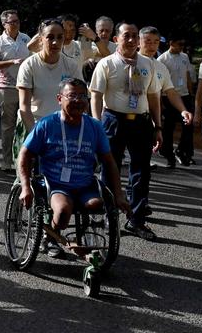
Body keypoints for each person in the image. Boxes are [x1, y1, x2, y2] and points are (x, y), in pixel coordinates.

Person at [18, 79, 130, 258]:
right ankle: (51, 236)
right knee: (63, 211)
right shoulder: (47, 124)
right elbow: (25, 155)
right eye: (72, 96)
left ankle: (83, 237)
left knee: (96, 205)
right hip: (56, 185)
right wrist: (25, 187)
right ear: (59, 99)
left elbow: (109, 162)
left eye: (82, 96)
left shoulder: (94, 126)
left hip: (85, 184)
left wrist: (119, 195)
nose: (78, 100)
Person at [90, 22, 162, 240]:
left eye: (134, 36)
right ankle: (106, 215)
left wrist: (158, 126)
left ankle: (137, 220)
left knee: (141, 172)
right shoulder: (107, 64)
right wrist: (97, 124)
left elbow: (153, 96)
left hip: (140, 122)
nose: (131, 40)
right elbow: (96, 95)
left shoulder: (148, 64)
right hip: (114, 120)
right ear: (116, 40)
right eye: (126, 36)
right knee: (110, 168)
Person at [139, 28, 195, 168]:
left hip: (152, 112)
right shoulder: (132, 62)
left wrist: (183, 110)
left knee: (141, 169)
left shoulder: (160, 66)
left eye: (156, 42)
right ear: (139, 42)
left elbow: (170, 90)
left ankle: (179, 153)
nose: (152, 45)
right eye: (148, 42)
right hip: (127, 114)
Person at [17, 18, 82, 137]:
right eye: (50, 37)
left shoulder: (71, 65)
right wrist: (35, 135)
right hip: (33, 125)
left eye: (59, 37)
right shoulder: (29, 65)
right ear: (41, 39)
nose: (55, 42)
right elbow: (24, 106)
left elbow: (80, 100)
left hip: (63, 126)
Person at [0, 10, 31, 172]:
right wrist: (12, 61)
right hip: (5, 88)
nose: (15, 24)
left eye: (17, 21)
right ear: (4, 24)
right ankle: (6, 160)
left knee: (25, 125)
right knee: (8, 126)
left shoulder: (26, 39)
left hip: (25, 87)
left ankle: (23, 160)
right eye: (11, 22)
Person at [156, 31, 195, 166]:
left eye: (183, 44)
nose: (181, 47)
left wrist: (191, 93)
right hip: (168, 96)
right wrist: (160, 101)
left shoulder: (184, 57)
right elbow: (159, 82)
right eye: (179, 44)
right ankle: (169, 155)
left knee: (189, 125)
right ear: (171, 43)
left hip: (184, 96)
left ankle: (182, 151)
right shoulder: (162, 60)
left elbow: (187, 75)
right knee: (168, 128)